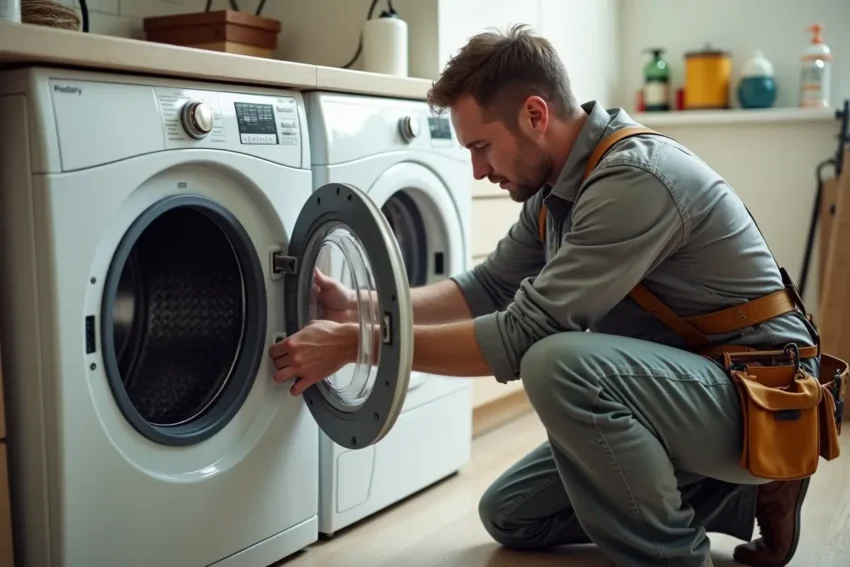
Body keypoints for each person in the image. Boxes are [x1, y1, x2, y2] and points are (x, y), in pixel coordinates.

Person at [268, 24, 822, 567]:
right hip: (693, 390)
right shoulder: (555, 190)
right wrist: (361, 306)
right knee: (511, 515)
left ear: (536, 114)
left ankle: (672, 554)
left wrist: (357, 344)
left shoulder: (633, 180)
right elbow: (485, 288)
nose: (478, 170)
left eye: (482, 146)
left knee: (557, 362)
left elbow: (517, 338)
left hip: (762, 394)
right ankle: (742, 492)